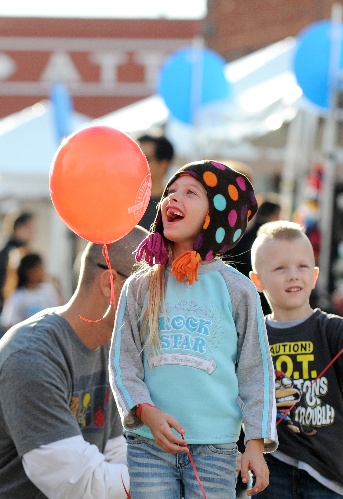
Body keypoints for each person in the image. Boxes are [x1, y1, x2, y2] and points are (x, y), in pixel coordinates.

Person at [110, 160, 277, 498]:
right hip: (149, 443)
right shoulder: (140, 286)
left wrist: (256, 444)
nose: (173, 198)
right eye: (170, 192)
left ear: (214, 214)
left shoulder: (237, 289)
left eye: (190, 193)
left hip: (216, 448)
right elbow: (122, 364)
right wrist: (147, 412)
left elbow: (256, 372)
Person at [0, 226, 148, 498]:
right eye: (151, 292)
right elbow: (79, 483)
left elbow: (117, 453)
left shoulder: (108, 350)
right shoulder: (31, 354)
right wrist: (165, 478)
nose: (159, 309)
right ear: (110, 284)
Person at [248, 221, 343, 498]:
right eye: (280, 268)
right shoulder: (252, 336)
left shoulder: (333, 328)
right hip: (272, 469)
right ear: (257, 281)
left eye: (302, 266)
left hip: (327, 474)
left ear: (315, 275)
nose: (293, 275)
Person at [0, 252, 62, 333]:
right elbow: (8, 322)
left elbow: (59, 314)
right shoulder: (18, 296)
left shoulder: (48, 290)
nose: (43, 271)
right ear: (29, 272)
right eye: (40, 268)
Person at [0, 211, 35, 313]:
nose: (34, 232)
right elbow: (5, 288)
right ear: (19, 228)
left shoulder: (21, 250)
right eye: (30, 228)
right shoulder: (12, 254)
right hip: (12, 312)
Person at [136, 132, 175, 229]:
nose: (138, 163)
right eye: (136, 157)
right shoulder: (123, 203)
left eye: (146, 159)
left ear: (163, 165)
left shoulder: (172, 208)